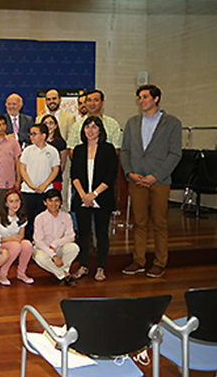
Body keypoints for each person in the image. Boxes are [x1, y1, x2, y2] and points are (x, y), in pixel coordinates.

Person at [120, 84, 182, 279]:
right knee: (138, 223)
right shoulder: (132, 122)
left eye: (145, 97)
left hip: (160, 180)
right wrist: (129, 172)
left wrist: (155, 176)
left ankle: (159, 262)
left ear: (156, 99)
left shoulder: (172, 123)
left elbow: (175, 154)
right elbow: (125, 151)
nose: (141, 101)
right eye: (139, 97)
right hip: (136, 179)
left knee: (159, 223)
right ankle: (139, 261)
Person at [71, 116, 118, 282]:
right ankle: (83, 265)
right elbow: (74, 175)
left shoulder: (108, 149)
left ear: (100, 130)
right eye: (87, 126)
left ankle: (101, 268)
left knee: (101, 234)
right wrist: (84, 195)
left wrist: (94, 194)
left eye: (94, 126)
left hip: (102, 198)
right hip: (82, 199)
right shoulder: (78, 149)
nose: (90, 130)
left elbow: (111, 175)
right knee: (83, 234)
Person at [19, 123, 60, 238]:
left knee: (45, 220)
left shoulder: (52, 151)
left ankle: (44, 243)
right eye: (30, 134)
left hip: (45, 191)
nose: (31, 136)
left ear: (43, 135)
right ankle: (27, 243)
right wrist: (31, 185)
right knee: (27, 220)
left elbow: (55, 169)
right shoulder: (27, 150)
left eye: (34, 134)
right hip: (28, 191)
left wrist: (44, 185)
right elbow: (22, 168)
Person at [33, 189, 80, 285]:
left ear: (61, 202)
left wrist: (55, 244)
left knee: (74, 248)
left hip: (59, 247)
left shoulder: (66, 216)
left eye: (56, 200)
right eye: (50, 200)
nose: (53, 203)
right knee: (40, 257)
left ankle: (62, 272)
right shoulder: (40, 218)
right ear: (45, 202)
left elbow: (71, 236)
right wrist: (53, 255)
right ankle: (63, 274)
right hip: (44, 249)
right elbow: (38, 241)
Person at [0, 189, 33, 286]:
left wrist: (19, 238)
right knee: (15, 246)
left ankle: (21, 273)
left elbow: (21, 235)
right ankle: (2, 274)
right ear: (6, 203)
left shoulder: (22, 217)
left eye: (17, 201)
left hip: (14, 243)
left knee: (27, 244)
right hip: (0, 244)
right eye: (11, 201)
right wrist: (9, 238)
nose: (15, 204)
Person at [42, 114, 68, 192]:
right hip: (41, 177)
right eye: (46, 123)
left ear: (56, 125)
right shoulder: (39, 141)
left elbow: (62, 162)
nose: (48, 125)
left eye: (51, 123)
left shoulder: (60, 142)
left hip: (55, 178)